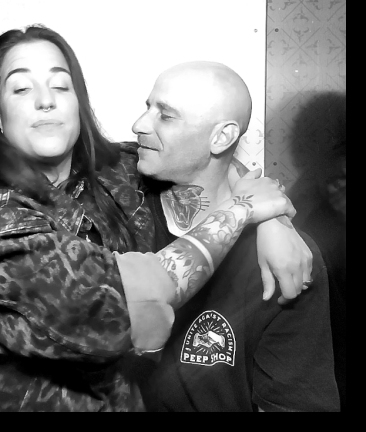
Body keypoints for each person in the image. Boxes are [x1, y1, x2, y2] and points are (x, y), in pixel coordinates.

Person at [0, 25, 311, 412]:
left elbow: (199, 157)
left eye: (61, 86)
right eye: (21, 89)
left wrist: (275, 224)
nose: (46, 101)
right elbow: (131, 305)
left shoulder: (115, 171)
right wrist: (244, 210)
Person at [126, 61, 339, 410]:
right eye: (147, 107)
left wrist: (270, 219)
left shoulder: (286, 256)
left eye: (165, 115)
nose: (138, 125)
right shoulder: (118, 213)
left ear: (222, 137)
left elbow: (293, 402)